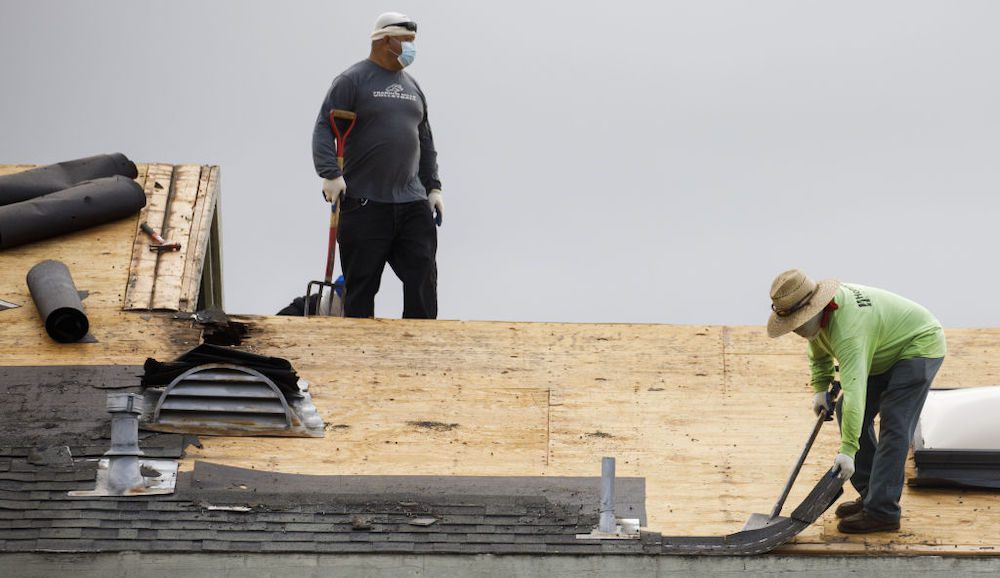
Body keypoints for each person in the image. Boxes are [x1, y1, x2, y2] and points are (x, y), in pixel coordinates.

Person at [766, 269, 946, 534]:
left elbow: (854, 392)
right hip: (882, 349)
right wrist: (820, 386)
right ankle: (872, 493)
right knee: (844, 410)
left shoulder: (849, 330)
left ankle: (882, 511)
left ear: (816, 308)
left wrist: (848, 451)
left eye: (800, 323)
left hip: (918, 345)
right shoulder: (818, 319)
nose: (798, 330)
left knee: (894, 425)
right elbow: (818, 349)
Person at [312, 11, 444, 319]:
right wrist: (329, 173)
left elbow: (424, 141)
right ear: (385, 41)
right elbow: (323, 127)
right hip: (365, 204)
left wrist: (433, 187)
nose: (412, 47)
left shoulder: (413, 88)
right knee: (362, 288)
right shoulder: (352, 81)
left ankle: (420, 346)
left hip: (412, 202)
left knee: (423, 275)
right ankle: (360, 356)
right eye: (406, 41)